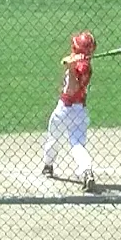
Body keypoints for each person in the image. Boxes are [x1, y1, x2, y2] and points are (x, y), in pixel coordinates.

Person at [42, 31, 98, 193]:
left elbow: (72, 88)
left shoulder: (82, 67)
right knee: (77, 144)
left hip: (64, 110)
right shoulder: (84, 63)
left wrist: (71, 68)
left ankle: (48, 165)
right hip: (80, 112)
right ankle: (86, 171)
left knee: (54, 138)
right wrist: (74, 61)